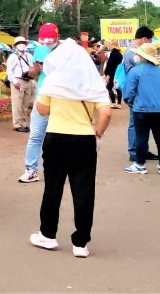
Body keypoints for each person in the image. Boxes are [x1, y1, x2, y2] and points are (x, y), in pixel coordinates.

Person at [29, 39, 112, 258]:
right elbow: (106, 113)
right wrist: (98, 134)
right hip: (84, 139)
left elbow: (42, 110)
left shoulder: (53, 81)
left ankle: (48, 235)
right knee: (84, 190)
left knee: (53, 188)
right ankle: (81, 243)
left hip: (56, 138)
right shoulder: (93, 82)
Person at [123, 42, 160, 174]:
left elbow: (128, 93)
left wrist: (132, 103)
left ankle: (140, 164)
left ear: (142, 56)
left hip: (141, 109)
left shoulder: (135, 71)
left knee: (141, 138)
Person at [20, 23, 59, 183]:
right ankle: (31, 170)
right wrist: (35, 69)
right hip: (42, 96)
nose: (48, 44)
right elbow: (31, 74)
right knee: (36, 135)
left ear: (58, 37)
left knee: (58, 136)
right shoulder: (40, 49)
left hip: (60, 98)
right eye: (45, 41)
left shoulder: (66, 51)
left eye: (51, 41)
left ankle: (58, 170)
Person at [121, 26, 157, 161]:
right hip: (136, 90)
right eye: (150, 41)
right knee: (135, 122)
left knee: (142, 122)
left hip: (138, 89)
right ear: (145, 39)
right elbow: (142, 70)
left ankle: (142, 149)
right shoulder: (133, 53)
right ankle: (135, 151)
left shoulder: (130, 51)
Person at [7, 37, 35, 132]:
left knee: (25, 104)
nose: (21, 44)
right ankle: (17, 124)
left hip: (28, 80)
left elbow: (32, 67)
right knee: (17, 104)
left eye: (23, 42)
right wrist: (15, 82)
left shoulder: (29, 56)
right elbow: (9, 71)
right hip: (18, 80)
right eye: (19, 43)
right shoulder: (13, 56)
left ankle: (24, 123)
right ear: (15, 45)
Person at [103, 42, 124, 107]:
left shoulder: (113, 54)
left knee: (109, 87)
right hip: (118, 73)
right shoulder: (120, 55)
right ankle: (119, 103)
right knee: (118, 88)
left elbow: (111, 65)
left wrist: (108, 74)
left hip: (112, 73)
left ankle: (113, 102)